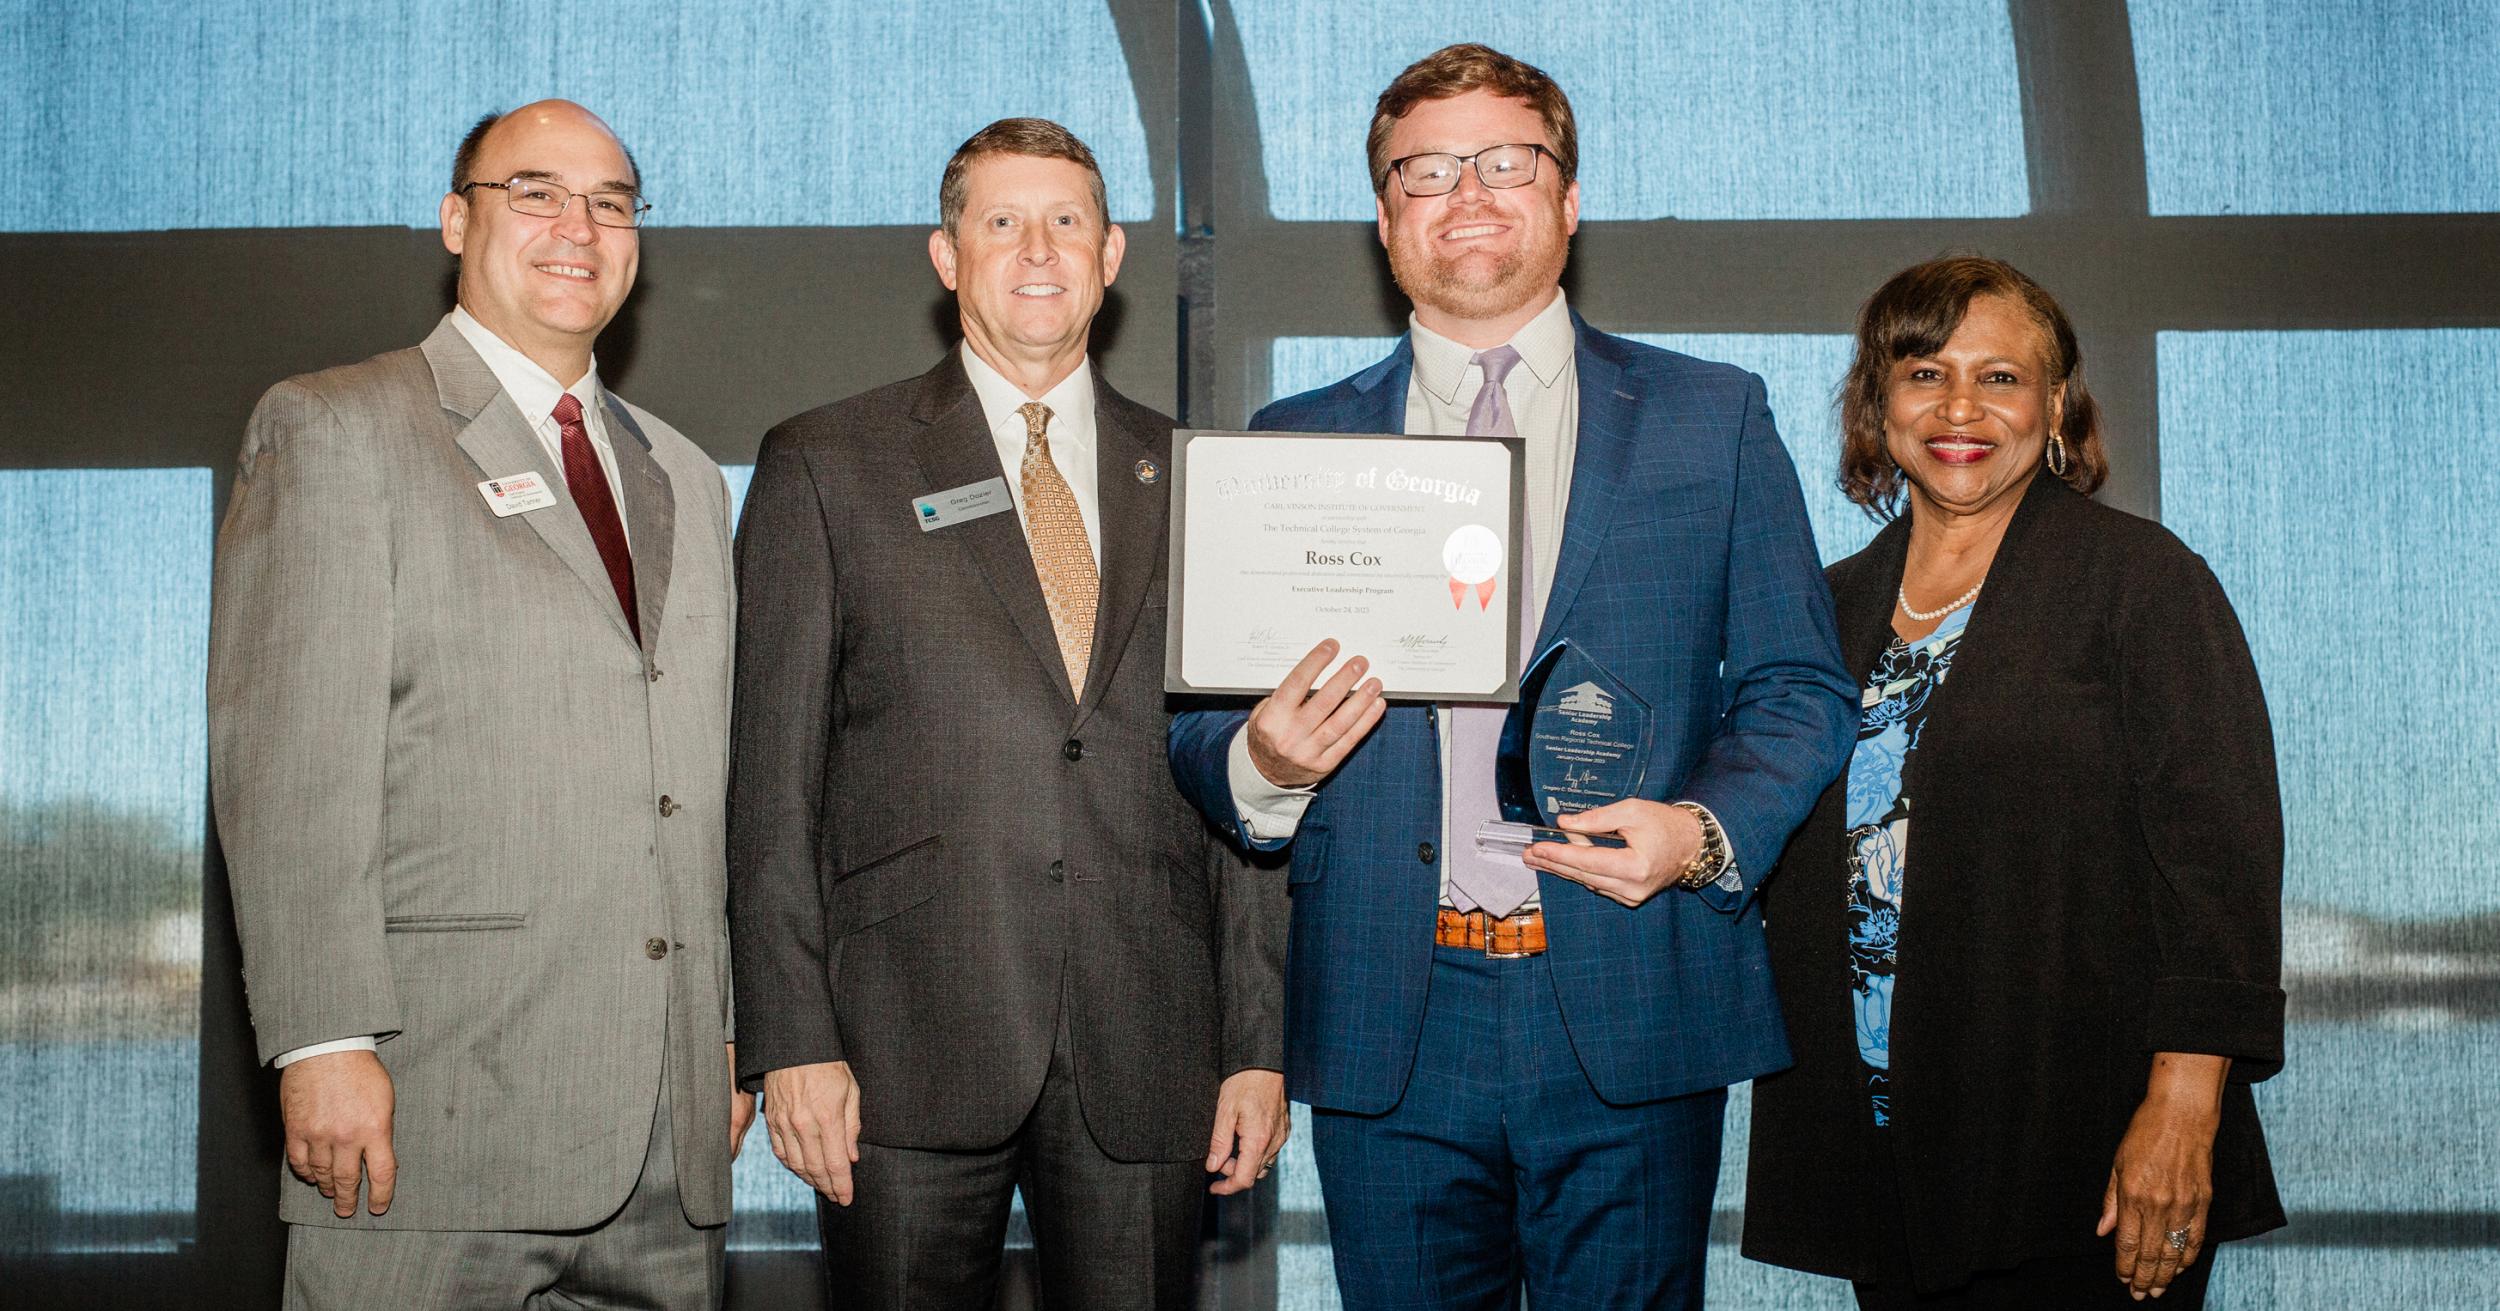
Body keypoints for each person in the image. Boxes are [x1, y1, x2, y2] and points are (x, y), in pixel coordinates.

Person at [1167, 45, 1855, 1309]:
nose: (1467, 194)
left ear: (1568, 197)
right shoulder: (1290, 446)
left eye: (1505, 162)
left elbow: (1799, 688)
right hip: (1392, 1004)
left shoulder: (1712, 418)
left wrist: (1702, 834)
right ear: (1384, 220)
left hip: (1630, 987)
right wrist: (1260, 763)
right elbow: (1198, 728)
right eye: (1423, 172)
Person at [727, 117, 1288, 1310]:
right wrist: (789, 1039)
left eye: (1066, 222)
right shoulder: (827, 464)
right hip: (892, 1048)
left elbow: (1242, 782)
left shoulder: (1203, 481)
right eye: (1001, 222)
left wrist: (1254, 1044)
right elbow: (770, 786)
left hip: (1151, 1041)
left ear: (1112, 253)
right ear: (946, 255)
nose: (1038, 249)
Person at [208, 100, 749, 1308]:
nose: (579, 226)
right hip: (427, 1116)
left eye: (611, 203)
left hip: (668, 1144)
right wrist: (321, 1040)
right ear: (458, 220)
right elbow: (291, 766)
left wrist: (724, 1033)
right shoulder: (336, 427)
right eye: (536, 192)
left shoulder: (689, 478)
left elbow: (703, 783)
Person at [1742, 255, 2286, 1309]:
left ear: (2056, 406)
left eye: (2000, 378)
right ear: (1876, 405)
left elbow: (2219, 861)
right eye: (1922, 372)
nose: (1959, 407)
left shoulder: (2139, 583)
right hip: (1883, 1156)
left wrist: (2183, 1108)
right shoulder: (1822, 608)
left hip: (2085, 1153)